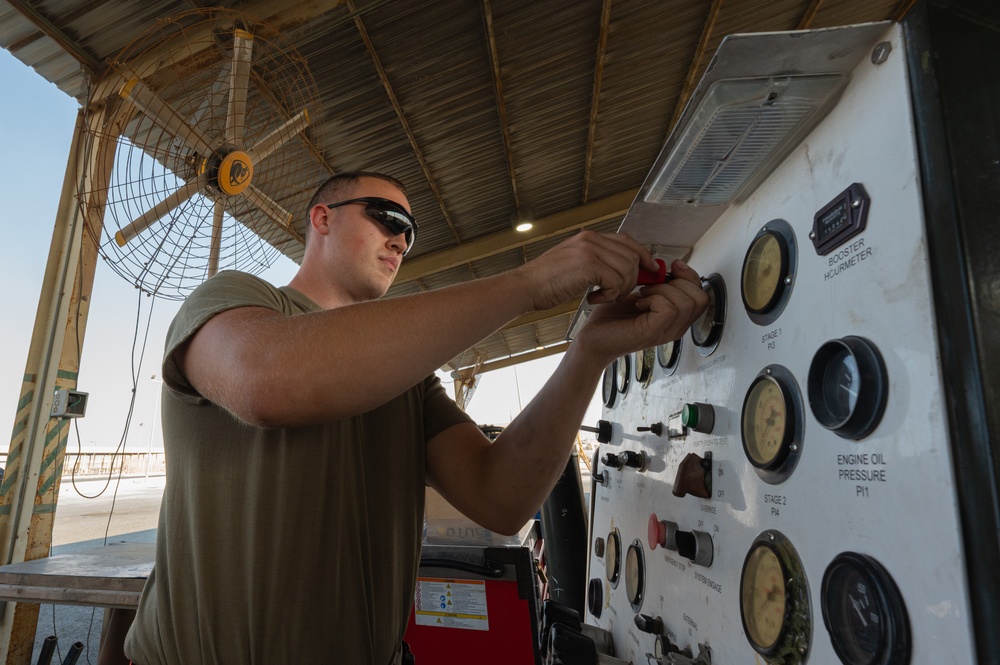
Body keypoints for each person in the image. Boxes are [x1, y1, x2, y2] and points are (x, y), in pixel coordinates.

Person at [122, 171, 708, 665]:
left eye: (411, 233)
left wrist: (588, 353)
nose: (401, 241)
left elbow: (501, 498)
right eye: (386, 218)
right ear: (321, 218)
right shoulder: (236, 301)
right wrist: (527, 284)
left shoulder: (409, 383)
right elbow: (265, 381)